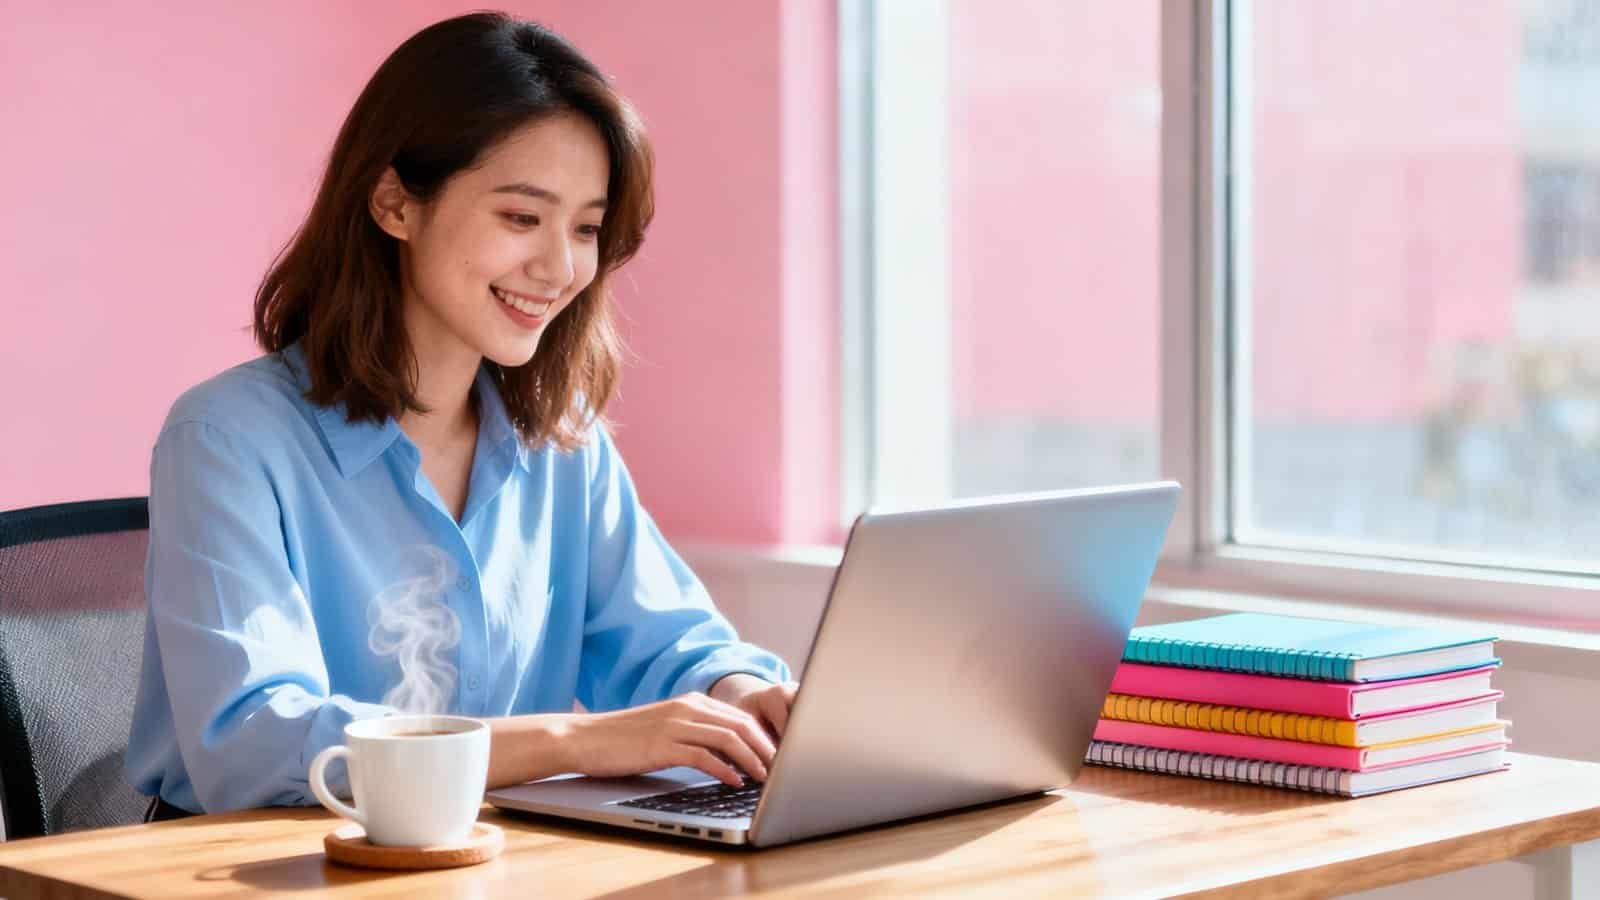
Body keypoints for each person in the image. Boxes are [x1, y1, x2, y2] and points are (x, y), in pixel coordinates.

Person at [125, 12, 795, 819]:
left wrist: (745, 697)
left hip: (479, 860)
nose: (559, 267)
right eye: (521, 217)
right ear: (393, 203)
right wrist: (571, 743)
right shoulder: (228, 439)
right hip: (260, 866)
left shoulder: (560, 439)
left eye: (586, 228)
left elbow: (663, 642)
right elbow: (255, 739)